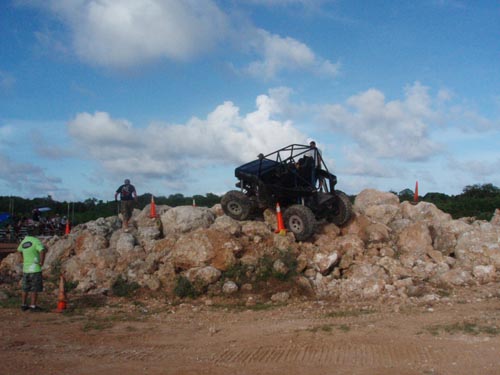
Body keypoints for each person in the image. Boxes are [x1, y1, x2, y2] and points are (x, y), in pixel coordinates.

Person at [17, 235, 47, 312]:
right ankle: (33, 306)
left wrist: (23, 260)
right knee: (34, 288)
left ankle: (23, 305)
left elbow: (19, 250)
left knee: (25, 288)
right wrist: (41, 262)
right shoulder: (36, 241)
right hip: (35, 269)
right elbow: (42, 250)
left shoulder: (23, 241)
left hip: (26, 269)